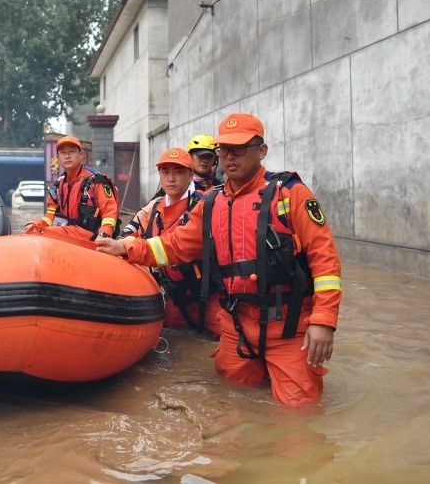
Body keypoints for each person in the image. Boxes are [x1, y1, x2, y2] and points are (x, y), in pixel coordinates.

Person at [96, 113, 343, 406]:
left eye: (238, 149)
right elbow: (173, 246)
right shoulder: (211, 203)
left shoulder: (289, 194)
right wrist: (126, 248)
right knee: (232, 405)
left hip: (288, 327)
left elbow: (325, 261)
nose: (229, 157)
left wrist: (324, 322)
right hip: (237, 325)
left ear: (261, 151)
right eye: (223, 150)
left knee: (299, 416)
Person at [121, 147, 222, 336]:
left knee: (230, 341)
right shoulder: (153, 210)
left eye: (178, 172)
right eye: (165, 172)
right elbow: (131, 236)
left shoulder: (204, 207)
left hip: (208, 296)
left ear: (190, 175)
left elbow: (177, 245)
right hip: (174, 297)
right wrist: (119, 244)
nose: (171, 178)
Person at [24, 135, 119, 240]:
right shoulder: (58, 186)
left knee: (46, 233)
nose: (67, 156)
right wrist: (35, 224)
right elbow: (50, 216)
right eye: (63, 153)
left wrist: (104, 234)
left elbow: (110, 211)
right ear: (58, 158)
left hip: (91, 239)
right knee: (35, 230)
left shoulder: (95, 181)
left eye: (72, 152)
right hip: (68, 236)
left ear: (81, 155)